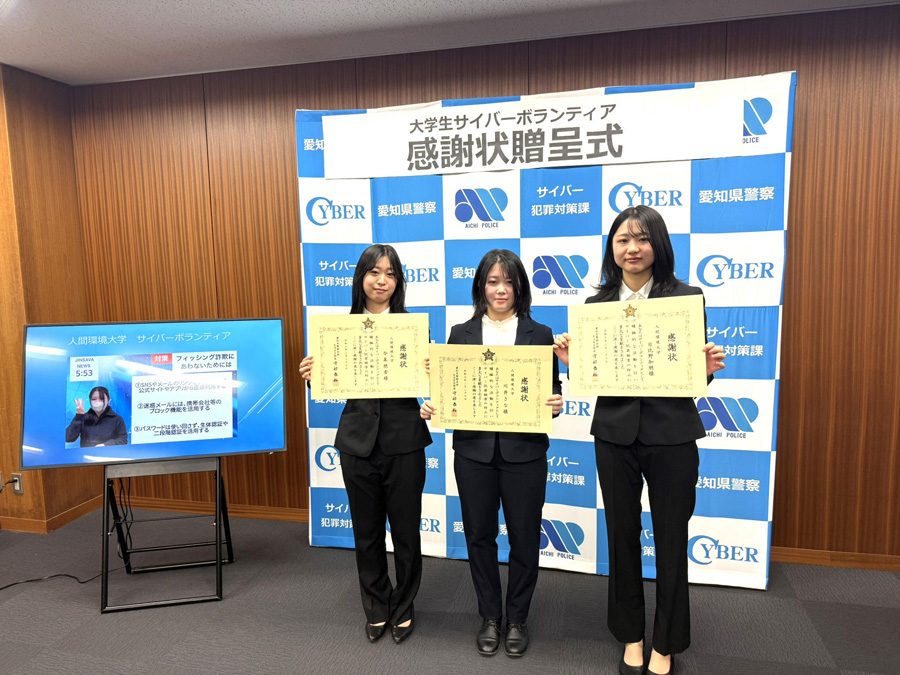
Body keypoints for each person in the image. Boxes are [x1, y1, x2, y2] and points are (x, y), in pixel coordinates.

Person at [554, 206, 726, 675]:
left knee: (671, 538)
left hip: (672, 436)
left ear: (658, 245)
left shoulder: (686, 298)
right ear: (611, 249)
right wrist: (574, 365)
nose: (632, 248)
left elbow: (691, 376)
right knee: (621, 535)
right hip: (614, 435)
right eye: (622, 240)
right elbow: (596, 376)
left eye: (642, 239)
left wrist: (705, 372)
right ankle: (631, 635)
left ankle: (665, 643)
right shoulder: (595, 306)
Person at [420, 249, 562, 658]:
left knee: (524, 538)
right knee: (479, 536)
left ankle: (517, 617)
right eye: (493, 282)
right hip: (473, 452)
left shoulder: (541, 333)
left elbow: (553, 390)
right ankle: (489, 616)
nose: (501, 290)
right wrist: (433, 405)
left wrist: (556, 404)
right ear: (480, 286)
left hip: (525, 453)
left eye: (509, 282)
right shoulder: (459, 334)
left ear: (520, 287)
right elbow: (447, 392)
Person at [299, 244, 431, 645]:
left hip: (404, 442)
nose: (381, 280)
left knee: (406, 533)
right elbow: (331, 386)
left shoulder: (413, 328)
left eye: (390, 274)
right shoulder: (338, 332)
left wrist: (433, 373)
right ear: (361, 278)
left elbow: (430, 386)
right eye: (374, 272)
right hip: (357, 443)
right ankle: (376, 606)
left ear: (399, 282)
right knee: (366, 533)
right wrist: (313, 376)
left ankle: (403, 606)